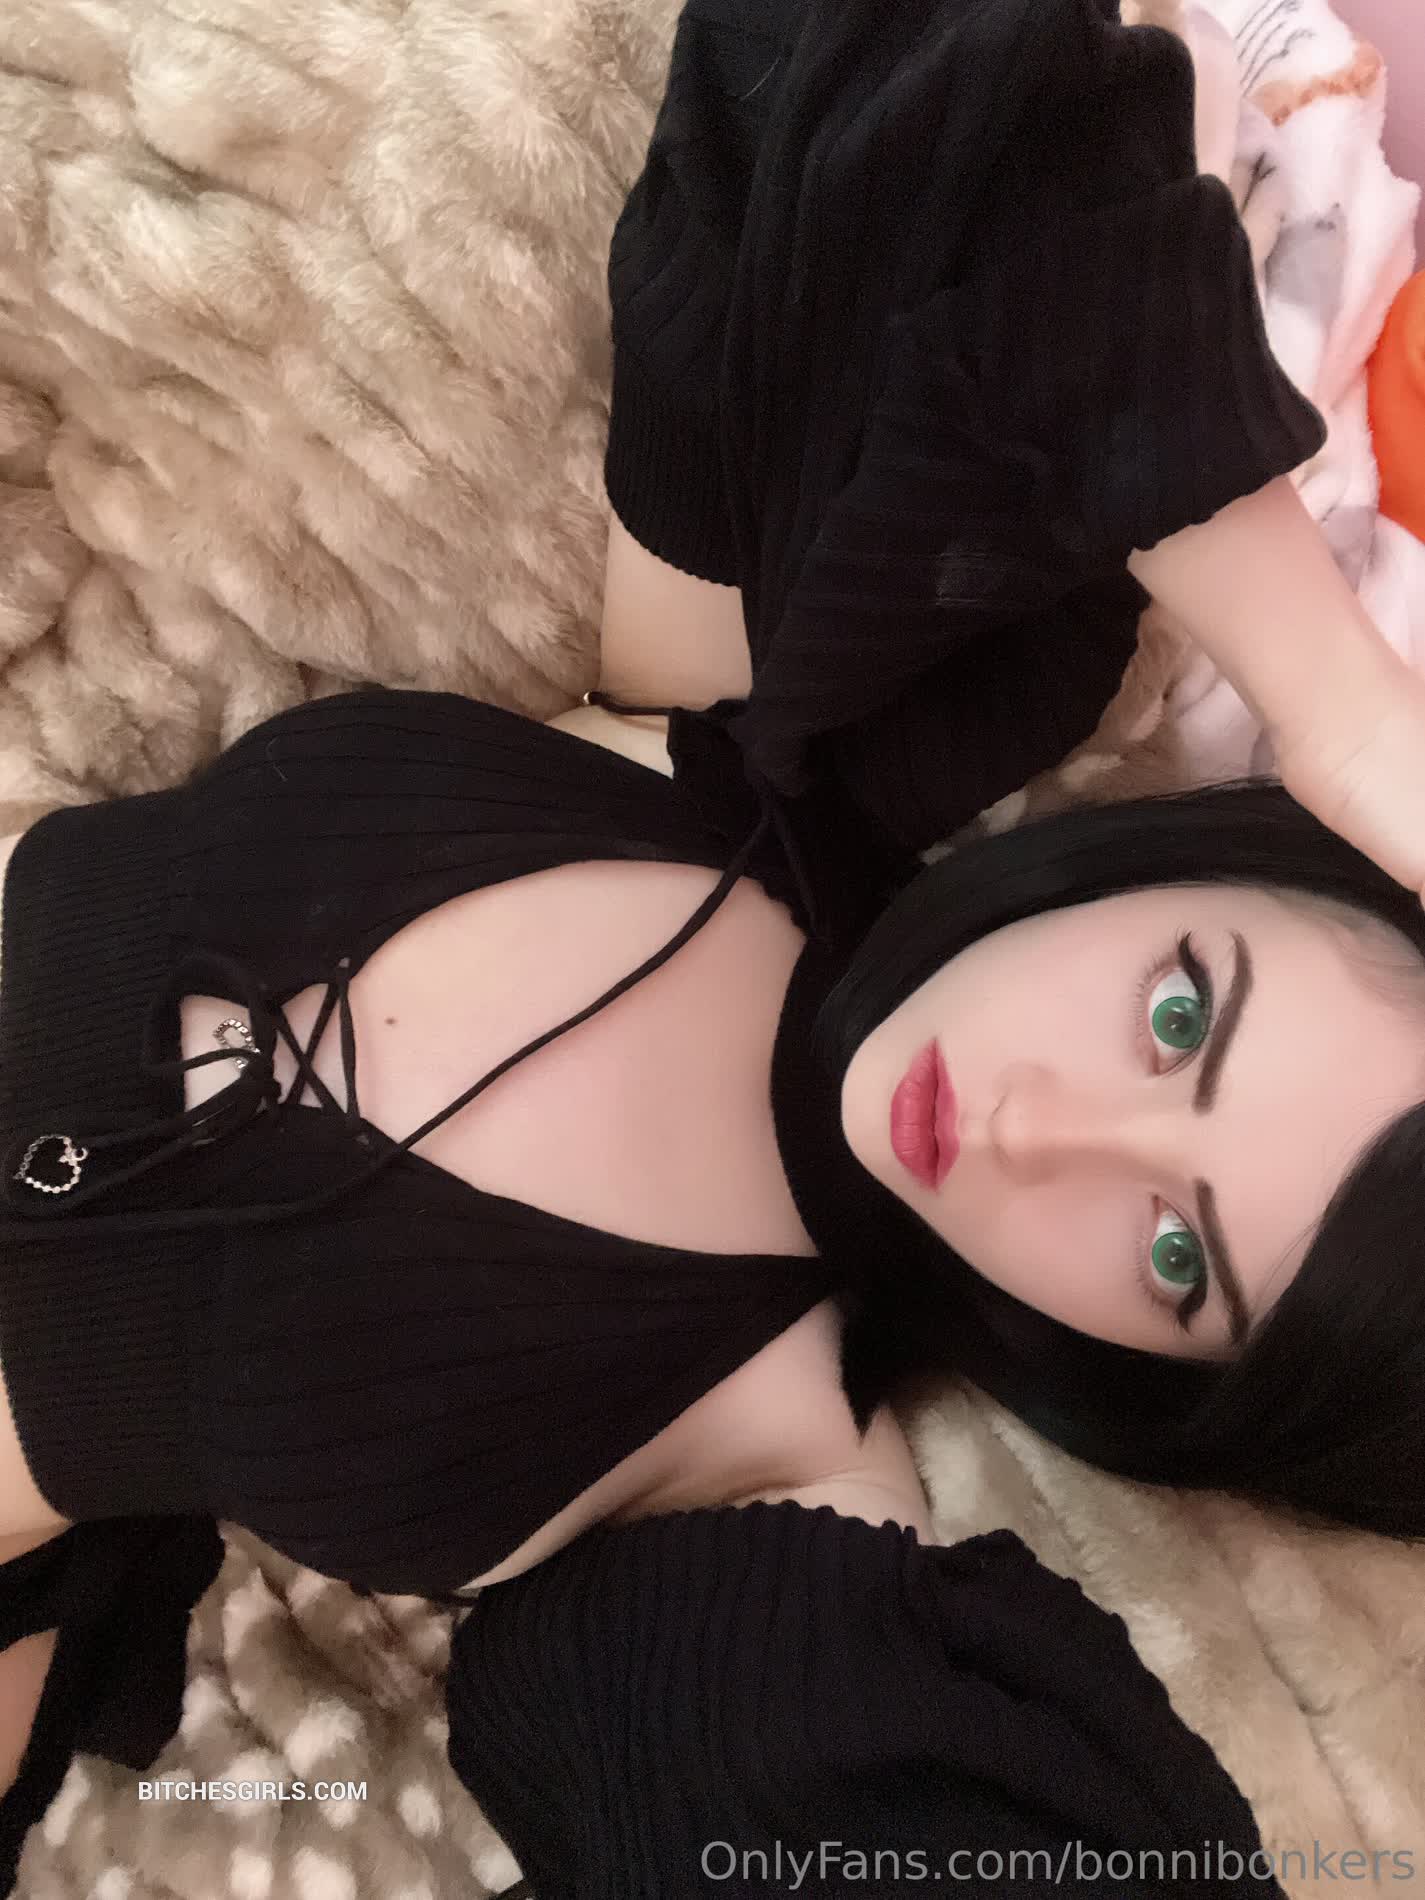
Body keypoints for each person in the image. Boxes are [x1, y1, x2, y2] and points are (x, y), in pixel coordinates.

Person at [3, 0, 1425, 1892]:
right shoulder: (758, 736)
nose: (1033, 1127)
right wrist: (1344, 707)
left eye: (1175, 1258)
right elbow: (911, 59)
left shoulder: (774, 1460)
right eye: (1177, 1011)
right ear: (1188, 867)